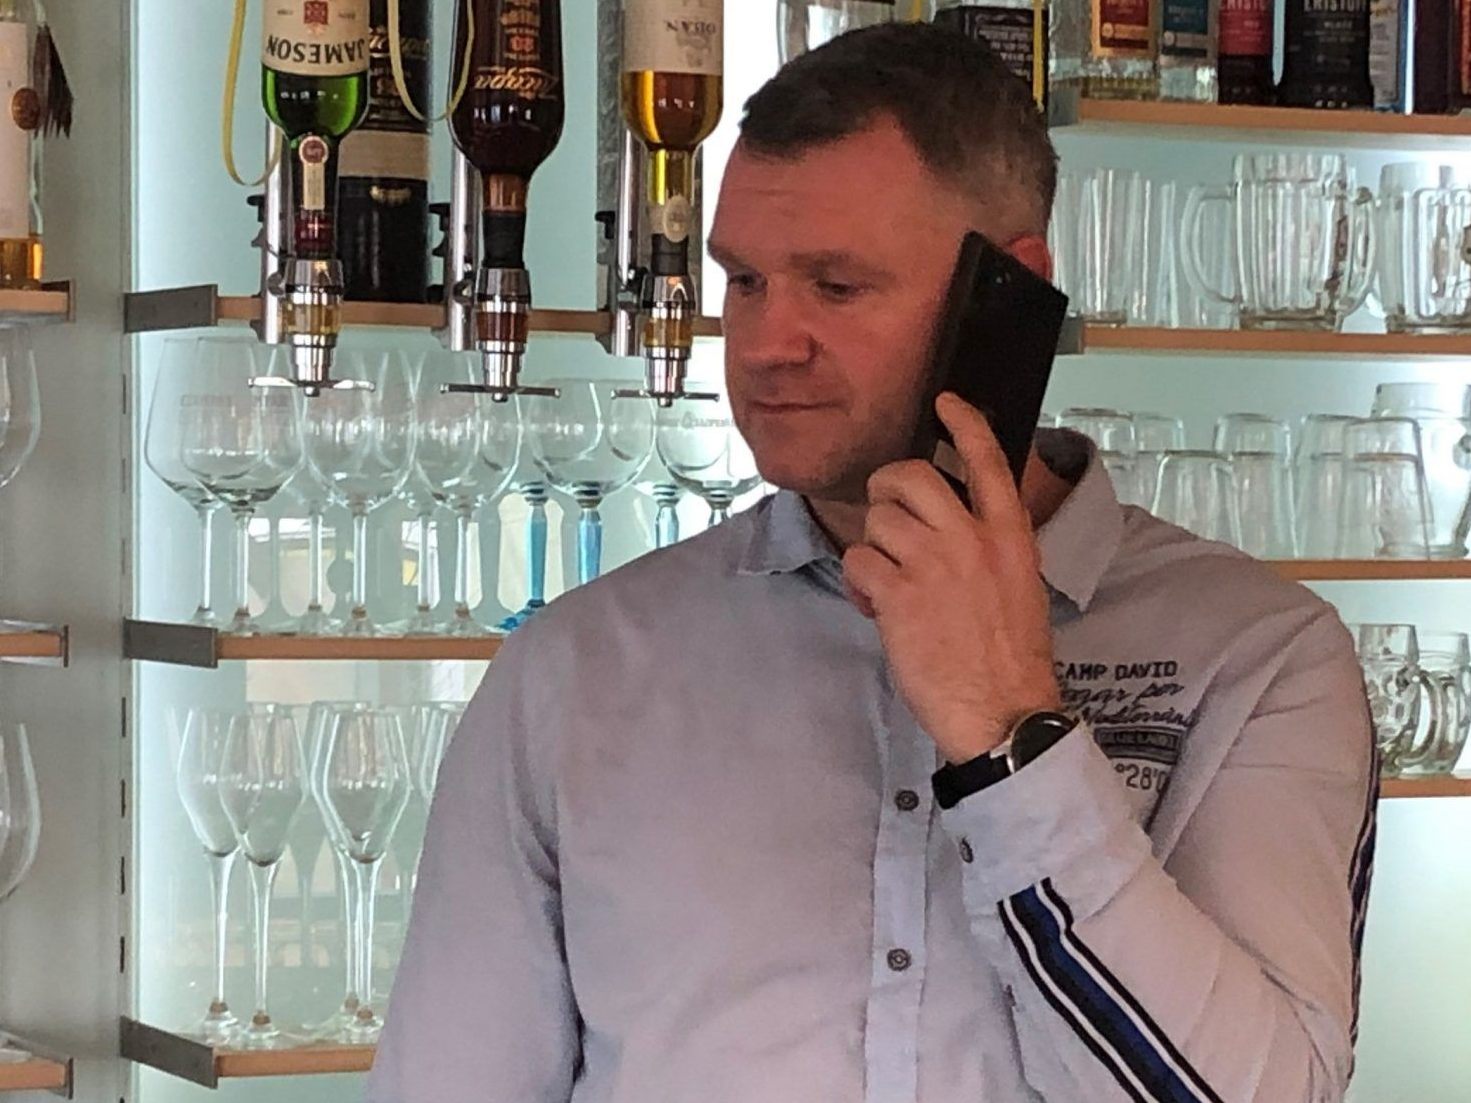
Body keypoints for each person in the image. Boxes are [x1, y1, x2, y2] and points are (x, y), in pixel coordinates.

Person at [368, 24, 1376, 1103]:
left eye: (837, 286)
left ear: (1010, 289)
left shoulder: (1256, 658)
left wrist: (1011, 733)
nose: (766, 344)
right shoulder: (575, 672)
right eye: (744, 280)